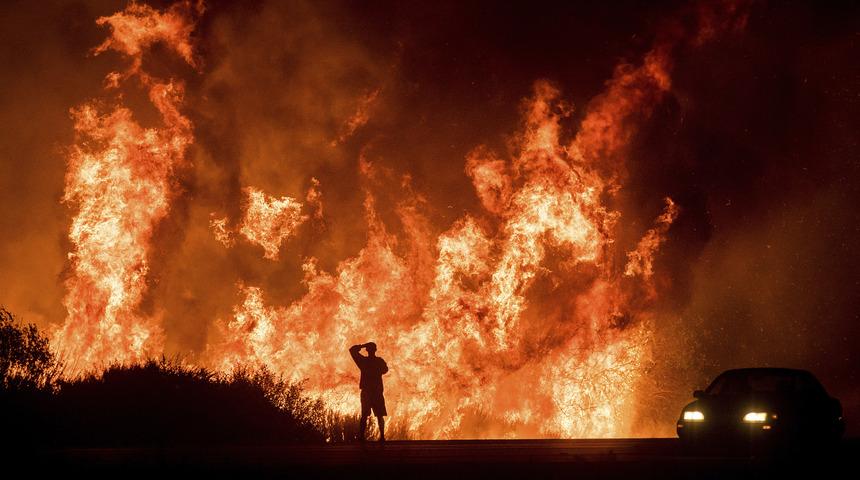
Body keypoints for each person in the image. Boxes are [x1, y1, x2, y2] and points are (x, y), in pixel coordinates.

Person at [349, 342, 388, 443]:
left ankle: (361, 437)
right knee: (380, 415)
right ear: (375, 350)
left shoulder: (363, 361)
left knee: (364, 415)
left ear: (367, 350)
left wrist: (362, 346)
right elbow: (385, 370)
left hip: (367, 392)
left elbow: (352, 350)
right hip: (376, 391)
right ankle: (382, 437)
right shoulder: (379, 361)